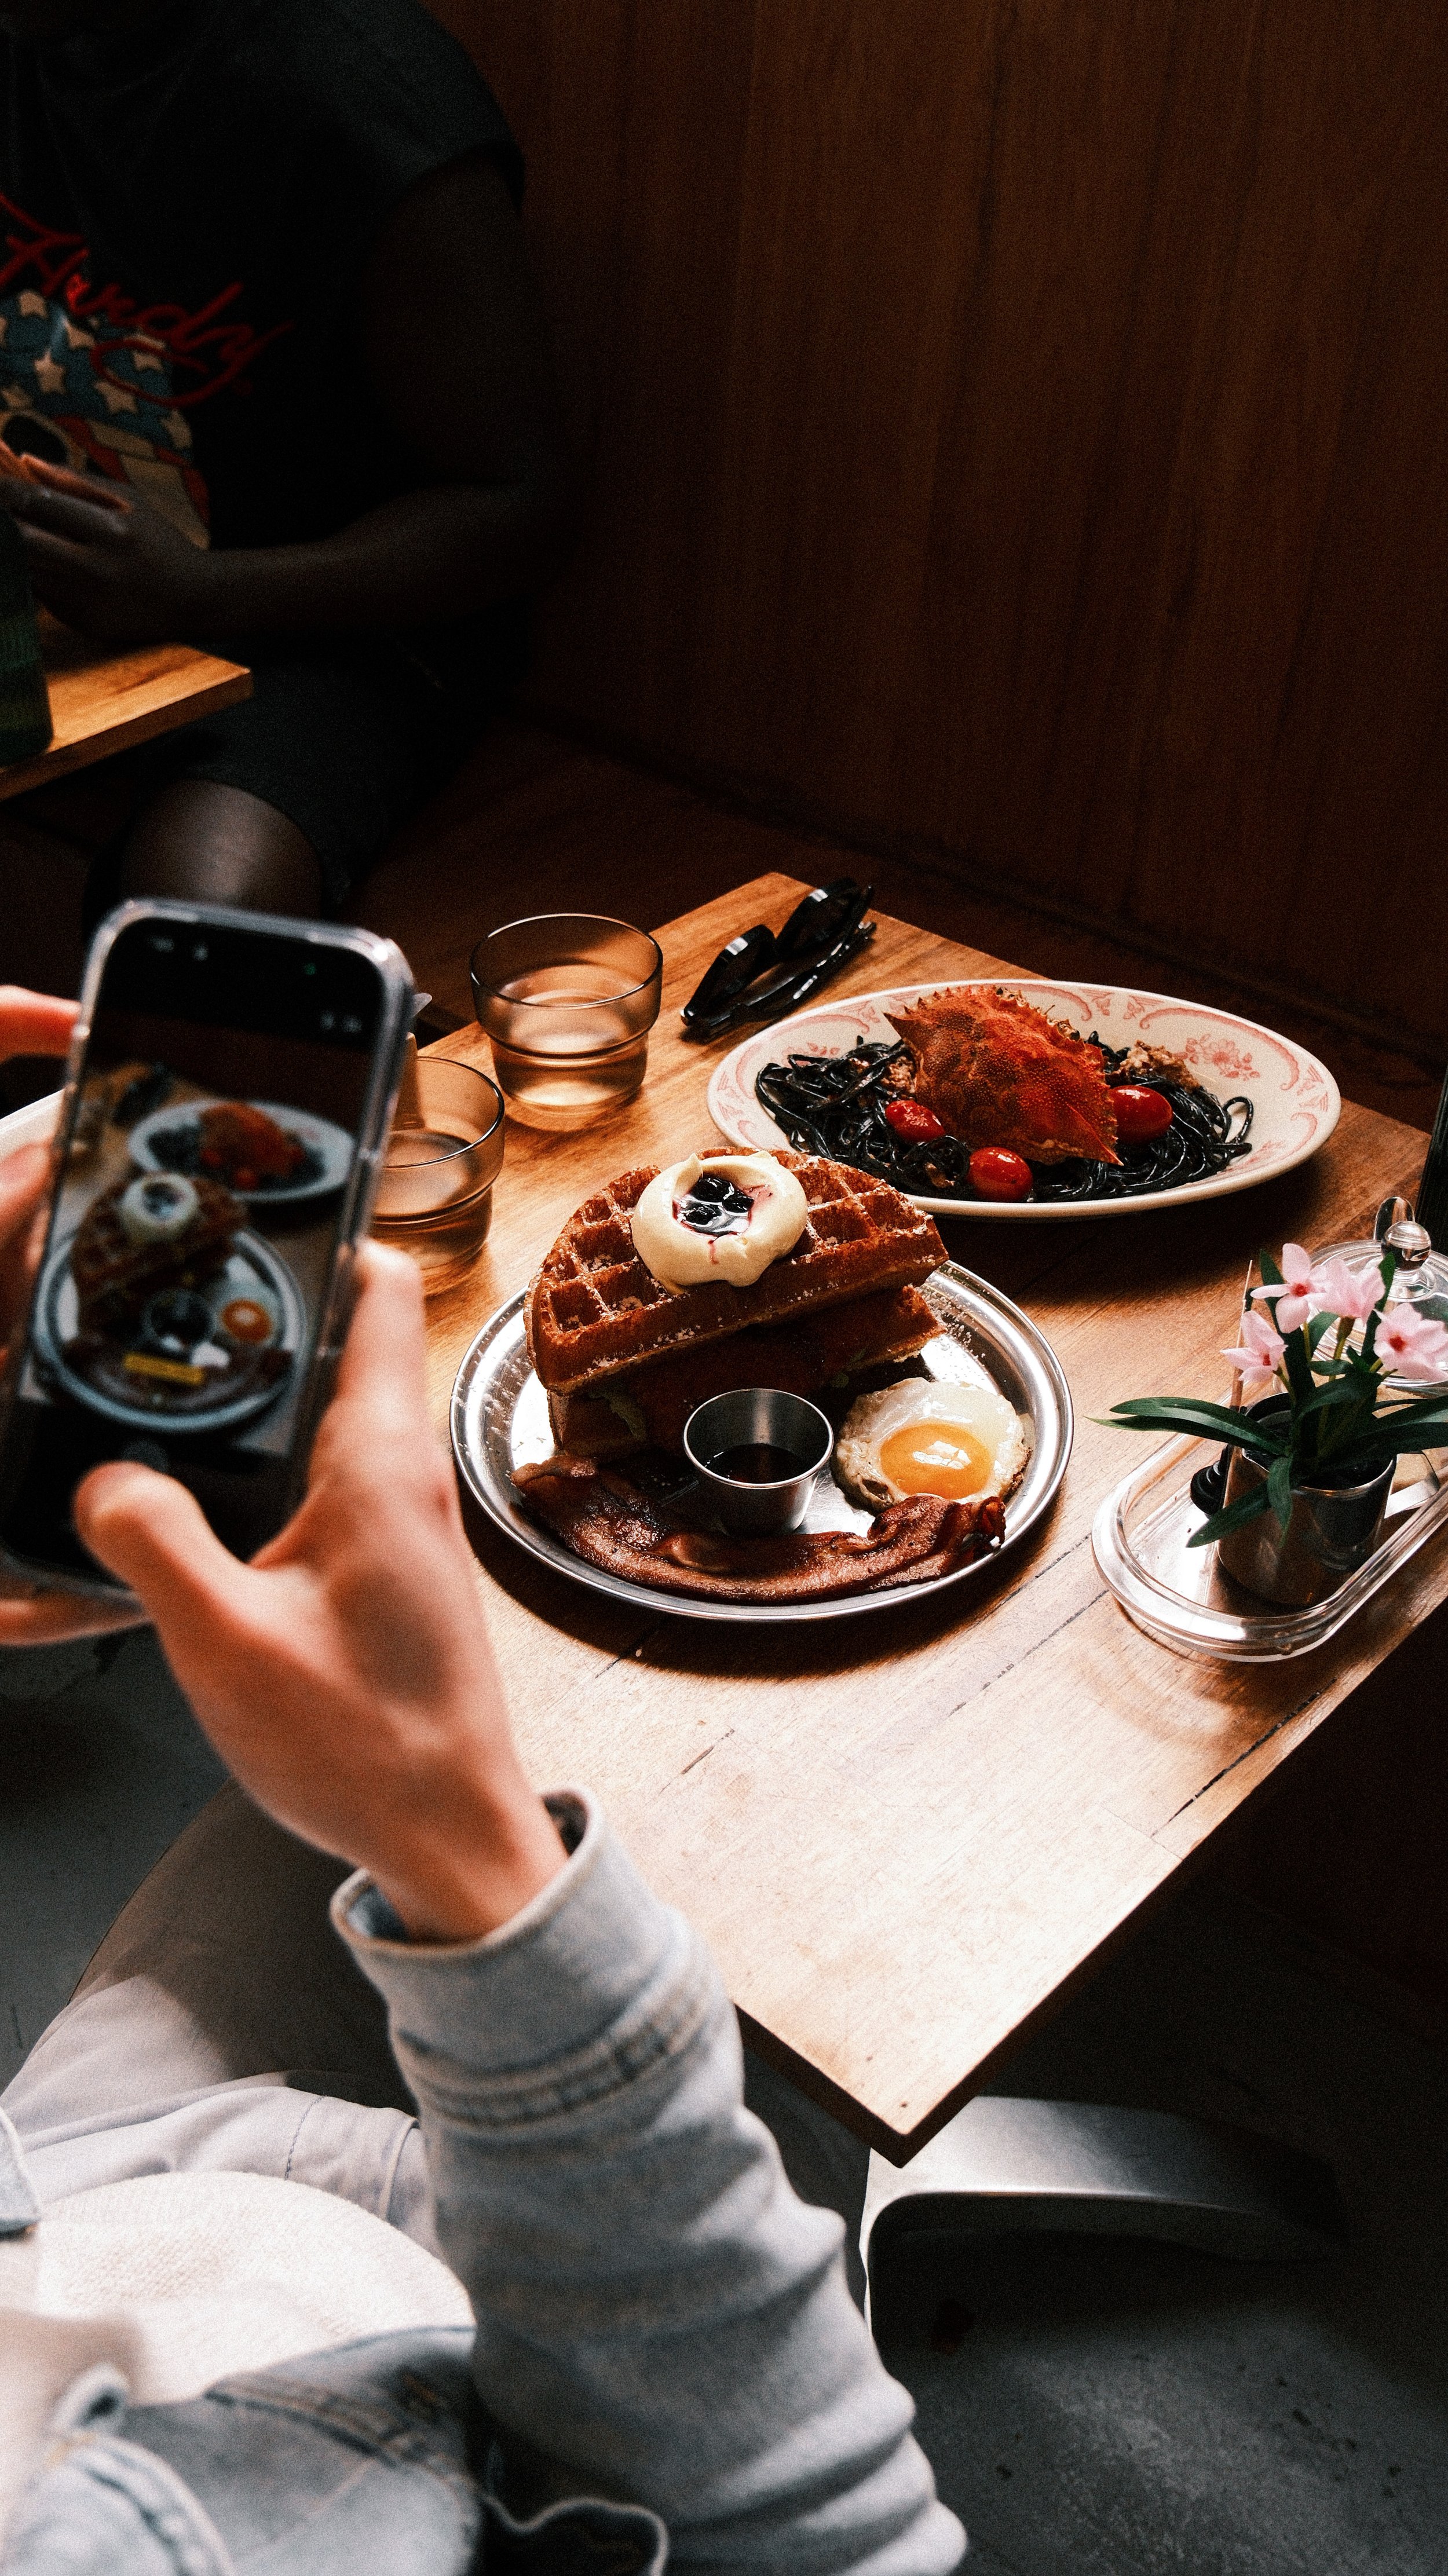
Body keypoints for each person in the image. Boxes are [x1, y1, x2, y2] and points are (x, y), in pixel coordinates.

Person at [0, 983, 964, 2573]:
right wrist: (479, 1876)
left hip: (69, 2177)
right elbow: (844, 2545)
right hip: (427, 2322)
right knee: (638, 1836)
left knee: (384, 1789)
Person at [0, 0, 574, 920]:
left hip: (326, 622)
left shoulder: (354, 88)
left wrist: (198, 593)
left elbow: (515, 510)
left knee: (201, 915)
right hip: (70, 604)